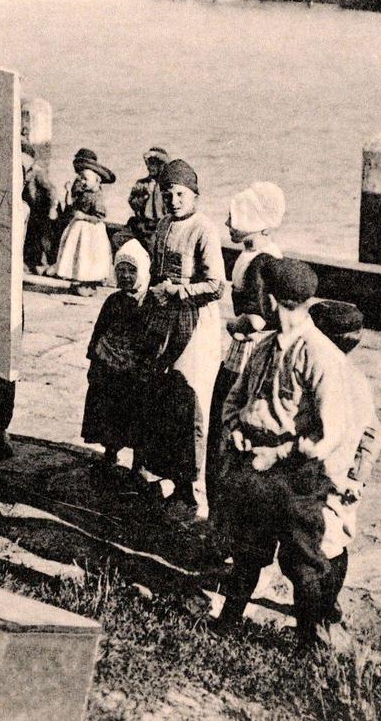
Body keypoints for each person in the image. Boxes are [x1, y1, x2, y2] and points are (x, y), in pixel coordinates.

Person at [213, 259, 361, 648]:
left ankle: (308, 643)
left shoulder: (319, 354)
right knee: (247, 550)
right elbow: (236, 398)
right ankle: (228, 621)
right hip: (253, 464)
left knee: (301, 563)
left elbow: (330, 432)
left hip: (295, 475)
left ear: (272, 298)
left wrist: (278, 454)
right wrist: (235, 432)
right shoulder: (265, 346)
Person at [135, 158, 226, 518]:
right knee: (166, 402)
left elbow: (217, 286)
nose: (173, 201)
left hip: (196, 324)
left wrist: (177, 291)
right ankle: (177, 484)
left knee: (194, 404)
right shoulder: (162, 226)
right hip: (164, 323)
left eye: (180, 194)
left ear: (195, 196)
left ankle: (199, 494)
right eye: (167, 194)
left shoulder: (204, 229)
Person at [206, 182, 286, 511]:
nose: (227, 224)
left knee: (226, 420)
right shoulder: (252, 255)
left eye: (233, 218)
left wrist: (230, 325)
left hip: (249, 351)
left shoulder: (260, 263)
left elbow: (255, 319)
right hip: (251, 349)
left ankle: (223, 513)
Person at [309, 299, 381, 632]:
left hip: (325, 476)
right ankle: (329, 605)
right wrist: (360, 475)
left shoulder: (327, 375)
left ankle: (317, 619)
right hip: (346, 478)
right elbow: (374, 432)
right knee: (337, 542)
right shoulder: (357, 378)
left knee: (316, 550)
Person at [81, 240, 152, 480]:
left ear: (142, 271)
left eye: (132, 270)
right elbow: (99, 331)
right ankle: (110, 453)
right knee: (108, 412)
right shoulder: (113, 301)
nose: (125, 275)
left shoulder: (150, 304)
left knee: (137, 415)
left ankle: (138, 465)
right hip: (109, 368)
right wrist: (93, 358)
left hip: (134, 371)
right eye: (121, 269)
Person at [53, 151, 114, 283]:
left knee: (88, 254)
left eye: (86, 179)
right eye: (82, 178)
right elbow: (71, 205)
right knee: (75, 251)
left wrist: (83, 216)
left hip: (90, 230)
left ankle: (88, 280)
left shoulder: (97, 196)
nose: (82, 182)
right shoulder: (82, 193)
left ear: (97, 181)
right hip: (78, 227)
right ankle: (77, 277)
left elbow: (99, 217)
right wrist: (69, 191)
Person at [20, 140, 57, 275]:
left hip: (42, 210)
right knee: (30, 237)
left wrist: (52, 208)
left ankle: (46, 264)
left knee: (43, 237)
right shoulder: (20, 169)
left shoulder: (38, 172)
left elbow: (51, 190)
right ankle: (30, 263)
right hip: (31, 209)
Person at [129, 147, 169, 246]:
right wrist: (144, 196)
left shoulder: (167, 186)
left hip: (161, 227)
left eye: (153, 164)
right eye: (148, 164)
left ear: (161, 165)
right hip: (142, 225)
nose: (149, 167)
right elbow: (132, 203)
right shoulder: (142, 184)